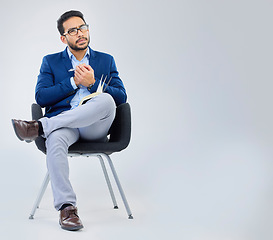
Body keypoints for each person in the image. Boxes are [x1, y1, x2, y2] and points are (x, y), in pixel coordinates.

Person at [11, 10, 127, 231]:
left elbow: (121, 97)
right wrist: (73, 82)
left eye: (83, 27)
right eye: (73, 30)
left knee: (107, 101)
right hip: (65, 126)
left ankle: (39, 127)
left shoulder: (106, 60)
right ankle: (67, 207)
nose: (80, 33)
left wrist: (92, 84)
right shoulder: (50, 62)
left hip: (95, 125)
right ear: (64, 38)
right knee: (55, 139)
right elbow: (41, 97)